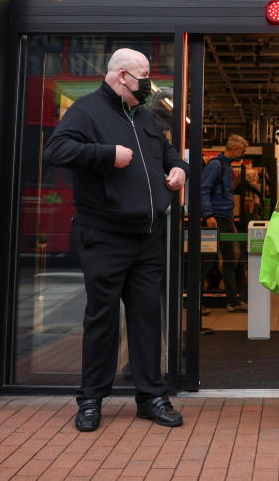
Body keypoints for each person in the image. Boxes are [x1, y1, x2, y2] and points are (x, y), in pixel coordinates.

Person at [44, 48, 188, 433]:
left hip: (147, 237)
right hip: (104, 235)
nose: (148, 84)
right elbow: (56, 150)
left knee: (146, 319)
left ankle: (151, 397)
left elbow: (167, 149)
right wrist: (107, 154)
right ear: (122, 76)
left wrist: (178, 167)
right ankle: (91, 399)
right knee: (101, 320)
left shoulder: (144, 116)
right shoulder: (86, 111)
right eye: (143, 77)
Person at [200, 134, 248, 312]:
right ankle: (196, 304)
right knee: (208, 261)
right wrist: (208, 215)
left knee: (230, 259)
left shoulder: (226, 166)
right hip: (214, 220)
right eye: (241, 151)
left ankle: (232, 301)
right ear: (235, 149)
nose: (240, 155)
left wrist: (231, 220)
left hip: (226, 220)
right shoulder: (216, 165)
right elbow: (203, 190)